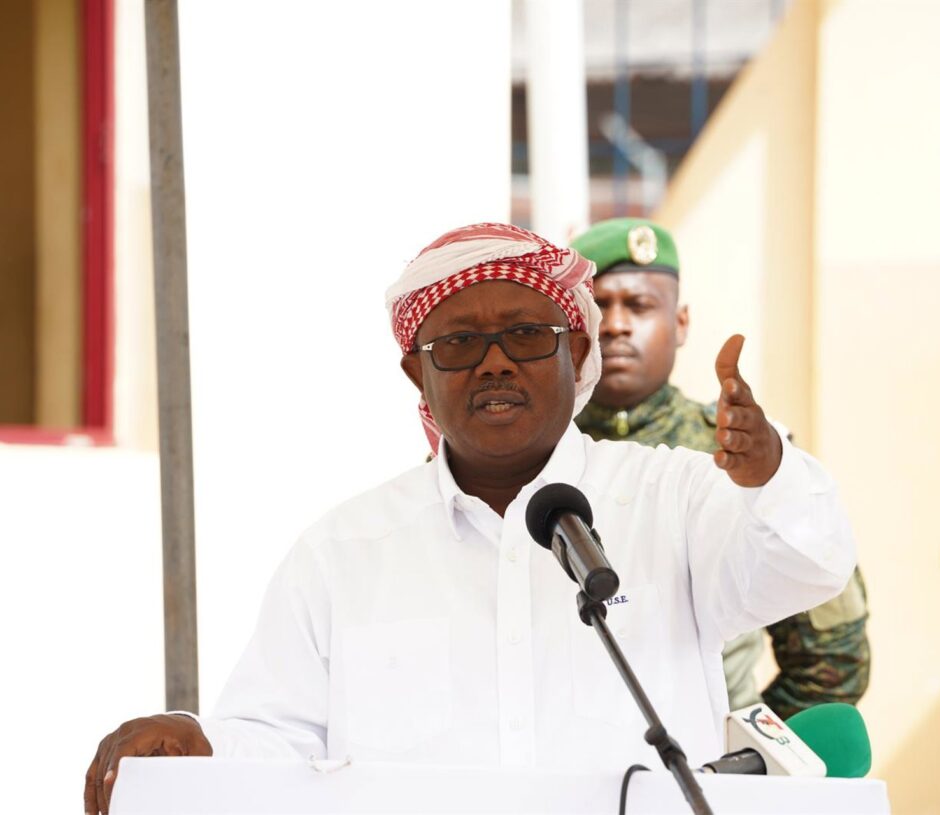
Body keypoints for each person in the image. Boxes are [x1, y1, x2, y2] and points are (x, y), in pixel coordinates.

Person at [84, 223, 856, 814]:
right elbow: (280, 737)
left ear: (574, 348)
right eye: (458, 343)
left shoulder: (673, 497)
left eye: (525, 334)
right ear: (416, 371)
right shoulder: (343, 550)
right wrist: (197, 737)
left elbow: (805, 565)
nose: (494, 362)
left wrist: (770, 474)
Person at [571, 217, 870, 718]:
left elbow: (834, 657)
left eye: (640, 305)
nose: (617, 324)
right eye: (598, 306)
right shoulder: (531, 456)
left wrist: (745, 751)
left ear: (681, 322)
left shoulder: (742, 452)